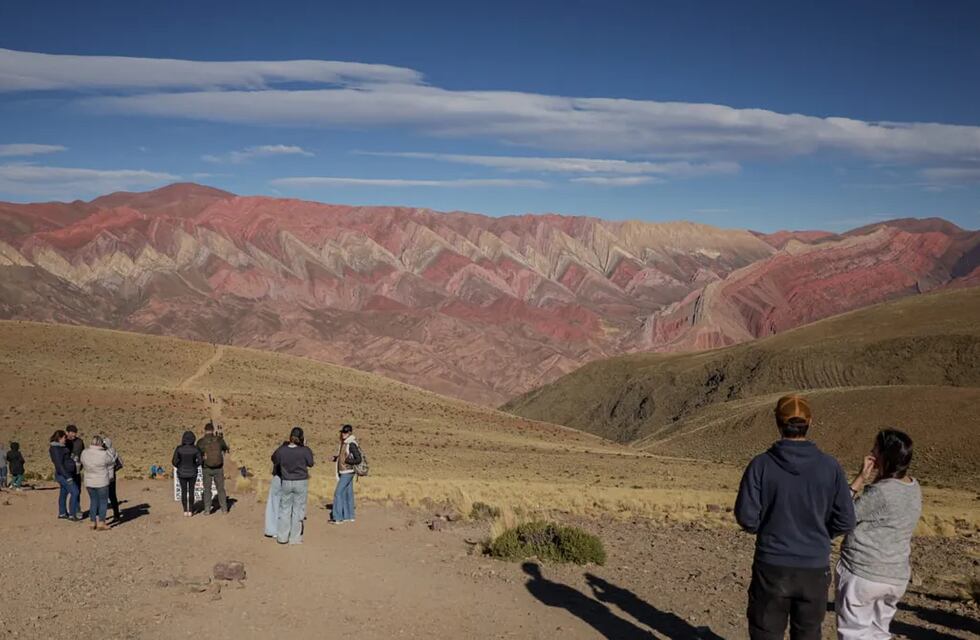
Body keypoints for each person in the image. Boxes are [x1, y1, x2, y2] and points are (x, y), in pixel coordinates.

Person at [735, 394, 856, 640]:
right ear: (809, 423)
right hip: (814, 568)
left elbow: (747, 517)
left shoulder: (760, 465)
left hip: (771, 566)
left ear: (778, 423)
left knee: (765, 632)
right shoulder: (830, 467)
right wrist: (820, 534)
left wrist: (770, 528)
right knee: (809, 633)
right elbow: (846, 520)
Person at [836, 429, 922, 640]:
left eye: (875, 448)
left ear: (884, 456)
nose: (870, 452)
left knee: (853, 634)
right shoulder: (914, 487)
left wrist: (860, 478)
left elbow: (843, 516)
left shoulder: (881, 492)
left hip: (864, 572)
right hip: (895, 576)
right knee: (879, 633)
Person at [272, 427, 314, 544]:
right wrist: (305, 447)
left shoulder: (282, 450)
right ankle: (294, 538)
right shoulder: (304, 450)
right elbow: (310, 463)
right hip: (301, 482)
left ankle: (282, 537)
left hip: (286, 481)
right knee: (297, 510)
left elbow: (274, 459)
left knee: (285, 509)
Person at [80, 435, 114, 531]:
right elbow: (112, 460)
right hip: (101, 481)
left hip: (89, 481)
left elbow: (82, 461)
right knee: (103, 502)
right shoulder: (103, 454)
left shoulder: (84, 452)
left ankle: (92, 522)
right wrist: (107, 449)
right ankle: (101, 522)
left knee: (93, 501)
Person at [197, 422, 230, 515]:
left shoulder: (201, 442)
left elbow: (197, 453)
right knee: (221, 488)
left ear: (205, 430)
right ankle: (224, 509)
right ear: (213, 430)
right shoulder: (219, 440)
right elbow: (225, 448)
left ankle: (207, 510)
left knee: (207, 489)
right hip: (219, 468)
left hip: (206, 468)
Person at [331, 424, 361, 524]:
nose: (343, 434)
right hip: (346, 472)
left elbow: (358, 459)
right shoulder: (345, 443)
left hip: (347, 472)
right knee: (348, 494)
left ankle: (338, 517)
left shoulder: (351, 444)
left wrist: (348, 461)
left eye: (345, 432)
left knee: (338, 493)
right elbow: (343, 456)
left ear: (349, 433)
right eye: (343, 432)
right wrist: (336, 458)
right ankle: (349, 516)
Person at [50, 430, 81, 520]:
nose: (65, 439)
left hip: (66, 473)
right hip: (63, 475)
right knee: (75, 492)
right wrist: (68, 477)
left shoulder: (61, 447)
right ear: (59, 438)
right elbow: (59, 465)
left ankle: (62, 512)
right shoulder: (56, 449)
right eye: (64, 438)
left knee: (64, 493)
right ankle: (72, 514)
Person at [172, 431, 202, 517]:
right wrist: (195, 466)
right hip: (193, 472)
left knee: (184, 491)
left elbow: (174, 461)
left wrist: (179, 466)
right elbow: (200, 461)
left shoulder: (179, 448)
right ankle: (191, 510)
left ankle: (185, 510)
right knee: (191, 491)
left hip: (181, 473)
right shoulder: (195, 449)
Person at [264, 441, 287, 538]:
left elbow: (273, 458)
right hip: (289, 479)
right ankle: (284, 530)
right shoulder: (297, 450)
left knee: (273, 504)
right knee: (285, 505)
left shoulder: (281, 449)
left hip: (277, 477)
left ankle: (271, 530)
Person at [103, 437, 123, 522]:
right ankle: (116, 514)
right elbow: (121, 463)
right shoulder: (114, 452)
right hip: (112, 477)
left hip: (103, 476)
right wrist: (113, 470)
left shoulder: (104, 453)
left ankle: (102, 517)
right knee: (112, 496)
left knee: (103, 497)